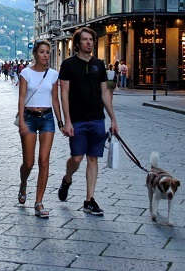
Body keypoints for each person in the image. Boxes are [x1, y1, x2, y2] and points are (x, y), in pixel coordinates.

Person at [58, 26, 119, 216]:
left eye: (91, 39)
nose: (89, 42)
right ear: (77, 43)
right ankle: (67, 179)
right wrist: (67, 121)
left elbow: (105, 93)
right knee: (77, 157)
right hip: (77, 120)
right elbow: (64, 94)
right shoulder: (68, 65)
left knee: (93, 158)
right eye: (85, 40)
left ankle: (89, 200)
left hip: (96, 119)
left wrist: (113, 119)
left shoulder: (99, 64)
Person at [16, 40, 61, 218]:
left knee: (44, 160)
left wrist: (61, 121)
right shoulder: (25, 73)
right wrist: (21, 121)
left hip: (47, 119)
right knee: (29, 163)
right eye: (42, 52)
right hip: (29, 117)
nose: (45, 55)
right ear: (35, 54)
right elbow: (21, 98)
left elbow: (55, 100)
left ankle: (39, 202)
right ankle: (23, 183)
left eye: (48, 52)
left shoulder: (53, 75)